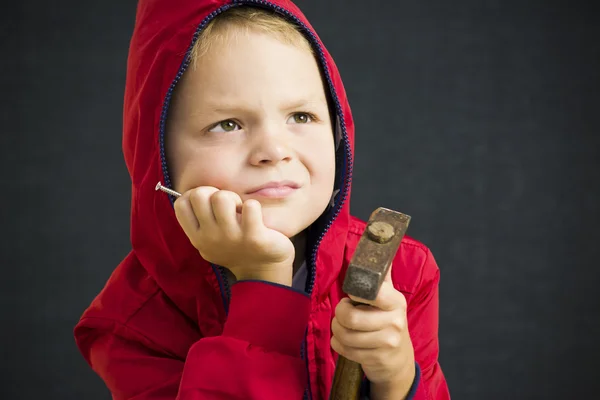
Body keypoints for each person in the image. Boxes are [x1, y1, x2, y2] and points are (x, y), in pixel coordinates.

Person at [74, 1, 450, 399]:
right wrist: (262, 280)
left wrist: (395, 380)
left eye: (301, 117)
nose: (274, 150)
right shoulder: (132, 323)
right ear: (158, 160)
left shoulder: (403, 273)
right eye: (227, 124)